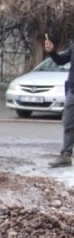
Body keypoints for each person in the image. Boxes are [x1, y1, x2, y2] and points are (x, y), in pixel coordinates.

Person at [44, 35, 74, 167]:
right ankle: (66, 155)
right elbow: (62, 60)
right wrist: (52, 52)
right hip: (73, 91)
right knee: (68, 122)